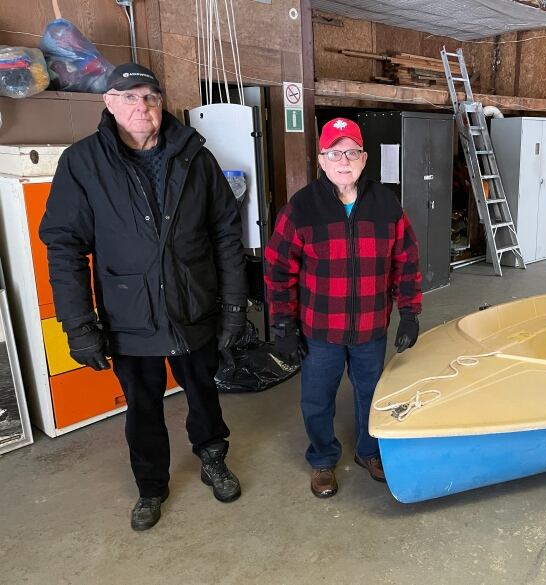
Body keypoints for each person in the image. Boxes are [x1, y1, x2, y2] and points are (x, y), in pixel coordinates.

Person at [39, 63, 247, 531]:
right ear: (108, 104)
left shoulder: (195, 156)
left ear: (161, 103)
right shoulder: (83, 163)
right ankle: (151, 487)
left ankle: (213, 457)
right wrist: (78, 325)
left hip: (193, 306)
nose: (141, 107)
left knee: (204, 396)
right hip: (128, 315)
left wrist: (234, 307)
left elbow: (226, 235)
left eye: (149, 98)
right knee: (143, 407)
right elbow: (65, 247)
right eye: (128, 98)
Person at [265, 117, 422, 498]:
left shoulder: (387, 205)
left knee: (371, 393)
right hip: (320, 331)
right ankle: (322, 458)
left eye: (352, 152)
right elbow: (277, 268)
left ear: (365, 158)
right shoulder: (301, 209)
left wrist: (410, 312)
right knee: (317, 398)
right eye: (334, 153)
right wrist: (282, 326)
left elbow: (407, 260)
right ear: (321, 159)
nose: (343, 161)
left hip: (370, 327)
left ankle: (369, 451)